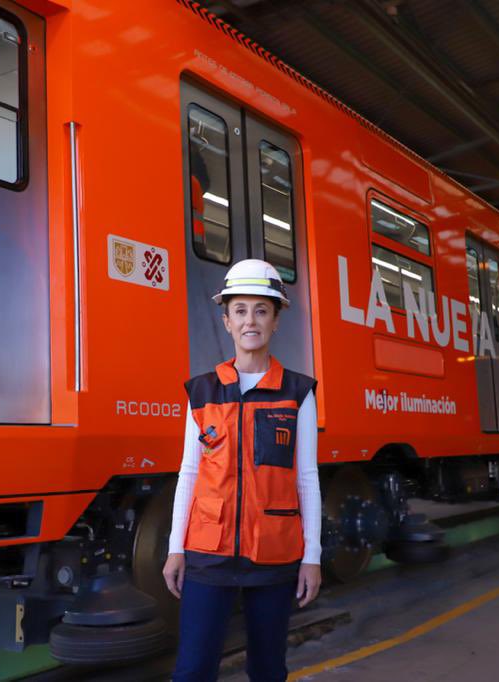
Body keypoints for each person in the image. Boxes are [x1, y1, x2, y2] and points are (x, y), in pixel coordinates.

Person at [164, 259, 321, 682]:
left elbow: (306, 478)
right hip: (207, 552)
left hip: (274, 552)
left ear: (275, 320)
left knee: (268, 669)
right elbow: (188, 474)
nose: (250, 320)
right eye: (240, 310)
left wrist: (312, 557)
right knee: (193, 669)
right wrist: (175, 548)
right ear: (227, 321)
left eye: (261, 310)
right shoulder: (202, 392)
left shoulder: (298, 392)